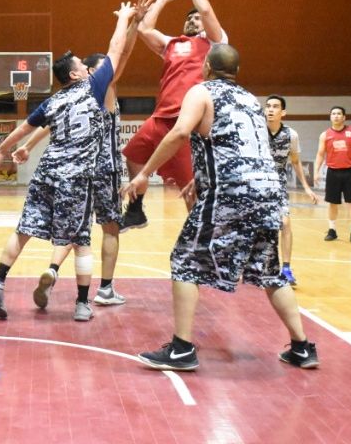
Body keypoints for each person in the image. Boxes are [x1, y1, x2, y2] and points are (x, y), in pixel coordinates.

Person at [122, 44, 318, 371]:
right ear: (237, 73)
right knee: (269, 270)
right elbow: (240, 145)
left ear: (207, 68)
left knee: (184, 260)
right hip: (268, 190)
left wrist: (143, 174)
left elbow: (180, 132)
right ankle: (301, 347)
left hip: (232, 190)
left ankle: (182, 349)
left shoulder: (201, 91)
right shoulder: (250, 100)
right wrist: (200, 179)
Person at [0, 2, 137, 322]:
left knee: (23, 230)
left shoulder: (53, 101)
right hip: (76, 178)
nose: (86, 66)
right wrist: (123, 19)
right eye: (82, 64)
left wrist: (1, 150)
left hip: (46, 172)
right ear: (77, 74)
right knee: (80, 241)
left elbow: (26, 127)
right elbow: (116, 48)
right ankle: (82, 303)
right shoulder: (94, 88)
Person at [13, 0, 153, 308]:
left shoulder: (72, 99)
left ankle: (52, 269)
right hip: (104, 167)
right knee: (110, 228)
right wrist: (132, 23)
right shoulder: (101, 88)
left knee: (75, 229)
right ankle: (104, 288)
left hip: (76, 169)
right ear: (89, 71)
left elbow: (48, 124)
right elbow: (123, 53)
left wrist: (27, 145)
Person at [121, 0, 227, 229]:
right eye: (188, 18)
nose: (192, 20)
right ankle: (136, 209)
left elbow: (205, 10)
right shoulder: (172, 44)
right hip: (160, 117)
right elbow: (145, 29)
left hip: (187, 123)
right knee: (132, 154)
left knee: (191, 193)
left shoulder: (214, 43)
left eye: (196, 19)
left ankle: (202, 238)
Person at [263, 95, 319, 286]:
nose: (270, 110)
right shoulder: (257, 131)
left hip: (277, 183)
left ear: (283, 112)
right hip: (255, 182)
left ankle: (286, 268)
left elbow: (295, 162)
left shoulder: (291, 135)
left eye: (275, 107)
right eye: (268, 106)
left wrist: (306, 188)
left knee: (285, 223)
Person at [312, 106, 351, 244]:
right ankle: (332, 230)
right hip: (333, 172)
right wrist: (316, 171)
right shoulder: (325, 135)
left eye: (339, 114)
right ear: (330, 117)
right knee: (332, 203)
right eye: (333, 114)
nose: (336, 116)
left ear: (344, 117)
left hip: (350, 171)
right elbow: (320, 154)